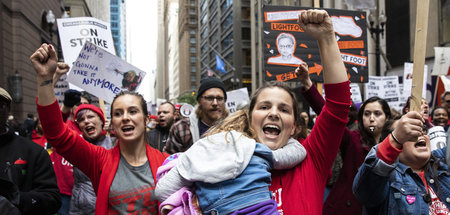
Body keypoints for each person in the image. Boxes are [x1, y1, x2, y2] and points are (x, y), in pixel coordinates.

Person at [31, 43, 168, 214]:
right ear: (112, 124)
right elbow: (57, 134)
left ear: (146, 119)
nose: (125, 117)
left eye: (132, 111)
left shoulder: (166, 163)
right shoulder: (99, 160)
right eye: (118, 113)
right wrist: (44, 78)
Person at [155, 108, 307, 214]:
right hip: (263, 210)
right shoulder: (257, 149)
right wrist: (290, 135)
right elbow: (297, 152)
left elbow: (162, 191)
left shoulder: (198, 152)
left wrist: (195, 186)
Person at [297, 59, 392, 214]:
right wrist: (308, 84)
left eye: (377, 113)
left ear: (387, 117)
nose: (372, 118)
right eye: (367, 114)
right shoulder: (353, 139)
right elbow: (330, 117)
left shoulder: (394, 145)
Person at [353, 111, 450, 214]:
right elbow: (365, 191)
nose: (420, 134)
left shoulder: (442, 162)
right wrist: (396, 138)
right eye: (409, 132)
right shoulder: (387, 179)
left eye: (423, 130)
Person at [0, 86, 61, 214]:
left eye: (0, 105)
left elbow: (52, 199)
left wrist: (17, 198)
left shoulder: (33, 152)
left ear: (7, 109)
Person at [165, 77, 229, 154]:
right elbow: (169, 160)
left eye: (219, 98)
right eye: (209, 98)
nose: (215, 103)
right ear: (199, 101)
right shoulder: (181, 127)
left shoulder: (235, 127)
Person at [69, 104, 113, 214]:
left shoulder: (116, 144)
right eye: (81, 119)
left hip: (110, 208)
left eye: (90, 117)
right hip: (80, 209)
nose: (86, 121)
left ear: (102, 121)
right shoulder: (76, 145)